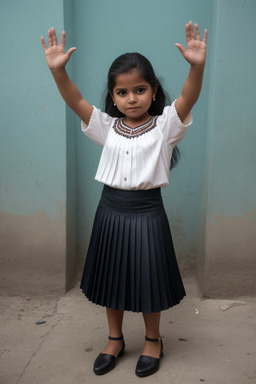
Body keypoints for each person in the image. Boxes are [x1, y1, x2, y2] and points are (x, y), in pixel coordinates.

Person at [41, 21, 207, 377]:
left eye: (139, 90)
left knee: (148, 277)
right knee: (112, 276)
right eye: (122, 93)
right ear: (113, 96)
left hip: (147, 212)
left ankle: (152, 339)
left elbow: (189, 97)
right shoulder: (106, 126)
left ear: (153, 90)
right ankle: (114, 338)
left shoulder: (165, 127)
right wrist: (59, 73)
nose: (131, 99)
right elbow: (75, 100)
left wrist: (197, 66)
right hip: (110, 211)